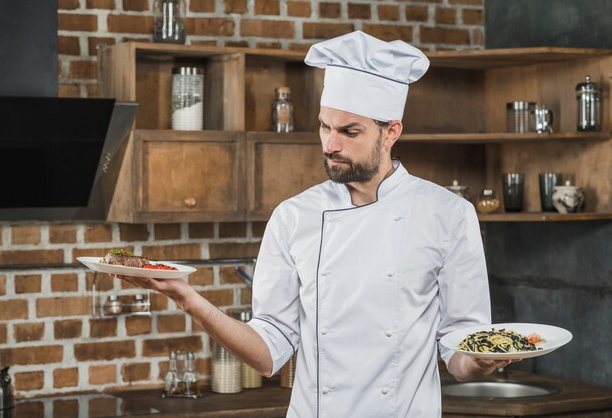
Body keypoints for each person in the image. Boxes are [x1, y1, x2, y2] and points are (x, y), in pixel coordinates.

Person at [115, 31, 511, 417]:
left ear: (391, 132)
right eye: (325, 126)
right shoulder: (294, 217)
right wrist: (188, 298)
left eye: (349, 131)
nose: (330, 144)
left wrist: (483, 361)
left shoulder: (448, 214)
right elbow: (268, 353)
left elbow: (461, 350)